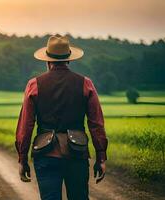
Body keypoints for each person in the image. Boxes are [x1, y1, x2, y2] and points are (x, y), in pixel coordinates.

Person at [15, 35, 108, 200]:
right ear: (69, 59)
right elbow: (96, 124)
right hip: (77, 154)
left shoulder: (34, 84)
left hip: (46, 154)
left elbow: (26, 125)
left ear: (47, 60)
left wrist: (22, 158)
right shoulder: (86, 83)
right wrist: (101, 156)